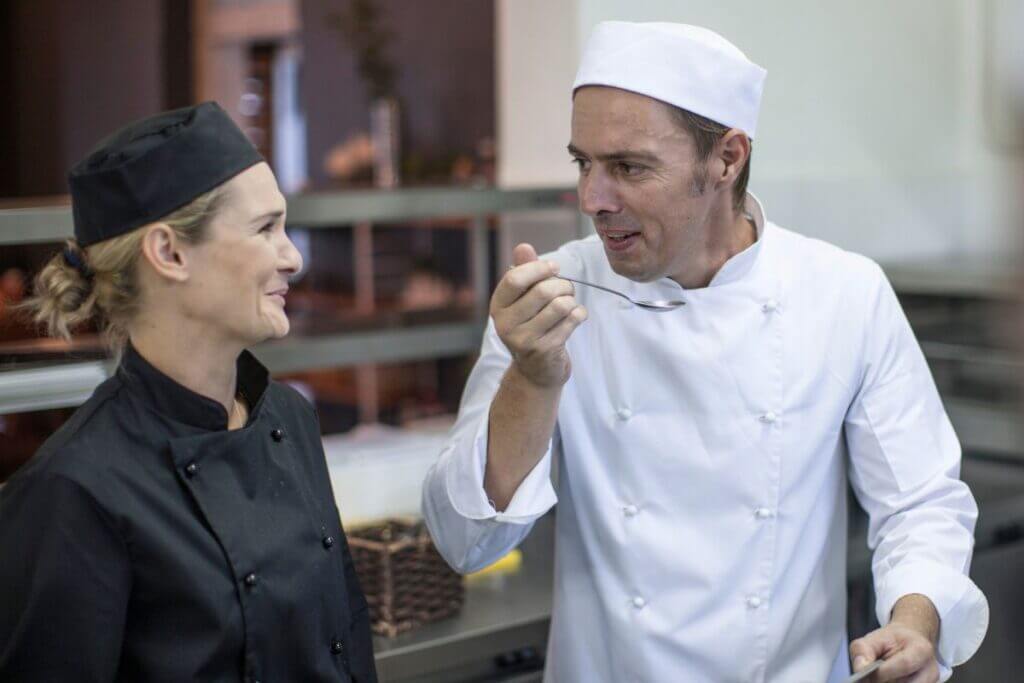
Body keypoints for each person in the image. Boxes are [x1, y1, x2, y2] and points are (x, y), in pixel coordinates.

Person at [423, 21, 988, 683]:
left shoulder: (843, 294)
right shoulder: (548, 300)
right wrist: (533, 377)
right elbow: (464, 541)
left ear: (727, 159)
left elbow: (920, 501)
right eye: (584, 162)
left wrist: (916, 620)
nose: (591, 200)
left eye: (628, 166)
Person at [0, 102, 377, 682]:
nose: (293, 257)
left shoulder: (290, 417)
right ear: (169, 253)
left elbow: (346, 638)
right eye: (265, 229)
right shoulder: (74, 491)